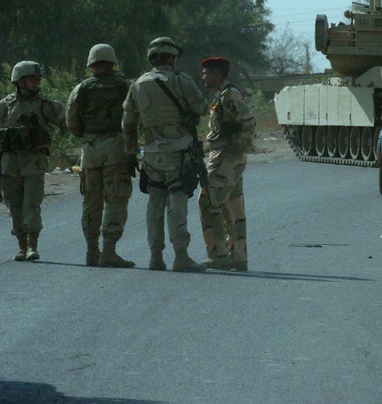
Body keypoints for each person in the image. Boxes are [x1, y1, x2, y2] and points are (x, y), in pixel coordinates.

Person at [122, 37, 209, 272]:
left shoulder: (138, 84)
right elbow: (201, 107)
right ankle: (180, 255)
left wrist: (131, 152)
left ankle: (155, 257)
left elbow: (128, 122)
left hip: (150, 155)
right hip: (178, 152)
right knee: (177, 201)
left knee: (155, 203)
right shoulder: (181, 80)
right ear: (172, 58)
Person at [0, 61, 68, 262]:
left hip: (34, 163)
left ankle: (32, 246)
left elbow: (67, 121)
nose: (36, 83)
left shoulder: (43, 105)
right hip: (9, 165)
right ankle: (21, 246)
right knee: (14, 205)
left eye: (38, 79)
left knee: (32, 204)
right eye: (32, 79)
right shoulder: (5, 105)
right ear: (20, 81)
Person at [66, 44, 135, 268]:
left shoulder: (81, 89)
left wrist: (89, 136)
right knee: (116, 199)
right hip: (117, 149)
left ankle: (91, 251)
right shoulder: (126, 86)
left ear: (91, 64)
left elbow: (72, 123)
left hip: (91, 152)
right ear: (113, 62)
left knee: (91, 201)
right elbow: (136, 117)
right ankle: (110, 251)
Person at [198, 56, 256, 271]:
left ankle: (219, 254)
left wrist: (236, 148)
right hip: (226, 156)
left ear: (215, 74)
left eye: (206, 73)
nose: (203, 77)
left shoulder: (229, 95)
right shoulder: (221, 95)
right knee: (232, 206)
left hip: (227, 157)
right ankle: (238, 257)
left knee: (208, 201)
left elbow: (248, 122)